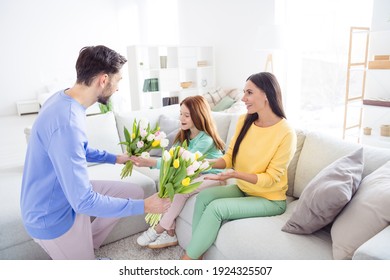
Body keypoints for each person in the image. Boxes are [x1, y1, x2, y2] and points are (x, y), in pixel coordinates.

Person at [20, 45, 171, 260]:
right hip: (51, 214)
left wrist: (116, 158)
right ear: (103, 79)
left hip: (66, 191)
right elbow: (83, 201)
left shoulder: (63, 99)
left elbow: (76, 150)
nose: (118, 87)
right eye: (118, 80)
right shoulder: (68, 121)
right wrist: (146, 206)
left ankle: (86, 244)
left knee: (134, 192)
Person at [180, 72, 297, 260]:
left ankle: (187, 260)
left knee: (215, 208)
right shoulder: (244, 121)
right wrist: (199, 163)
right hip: (245, 189)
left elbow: (271, 179)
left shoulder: (286, 133)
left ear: (266, 94)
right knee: (204, 197)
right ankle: (197, 253)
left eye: (249, 93)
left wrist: (234, 175)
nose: (243, 98)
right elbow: (229, 158)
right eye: (244, 92)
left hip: (270, 199)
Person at [130, 95, 225, 249]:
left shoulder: (206, 140)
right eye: (180, 113)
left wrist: (151, 162)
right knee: (166, 178)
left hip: (215, 177)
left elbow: (183, 163)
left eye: (186, 115)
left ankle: (158, 229)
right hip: (195, 174)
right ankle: (170, 233)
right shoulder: (183, 135)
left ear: (199, 116)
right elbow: (170, 161)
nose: (181, 118)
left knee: (180, 190)